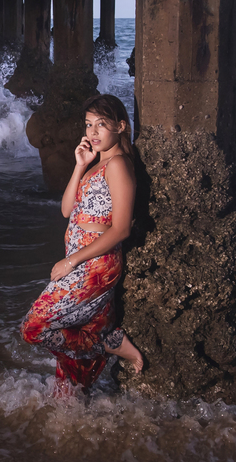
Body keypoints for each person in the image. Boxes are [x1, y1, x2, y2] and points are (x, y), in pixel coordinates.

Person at [20, 93, 145, 391]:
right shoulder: (94, 166)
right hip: (81, 259)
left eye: (101, 124)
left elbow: (121, 229)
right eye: (88, 125)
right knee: (71, 382)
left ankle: (108, 343)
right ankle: (74, 426)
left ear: (121, 126)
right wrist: (79, 165)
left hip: (95, 265)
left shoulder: (117, 165)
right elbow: (66, 210)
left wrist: (71, 261)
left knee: (33, 328)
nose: (92, 132)